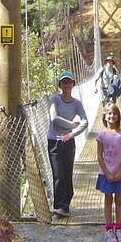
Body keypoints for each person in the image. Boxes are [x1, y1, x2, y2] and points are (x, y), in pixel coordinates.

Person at [48, 71, 88, 217]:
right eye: (63, 82)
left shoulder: (77, 104)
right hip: (54, 140)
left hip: (68, 142)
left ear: (73, 84)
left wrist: (72, 134)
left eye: (69, 82)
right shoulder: (54, 100)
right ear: (60, 84)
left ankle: (66, 203)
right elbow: (54, 118)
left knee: (67, 173)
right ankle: (60, 207)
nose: (66, 85)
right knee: (58, 174)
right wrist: (72, 124)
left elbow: (85, 121)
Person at [96, 103, 121, 242]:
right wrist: (107, 173)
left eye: (114, 113)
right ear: (105, 116)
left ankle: (120, 228)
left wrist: (120, 171)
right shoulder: (102, 135)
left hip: (120, 174)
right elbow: (99, 156)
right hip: (106, 174)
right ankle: (109, 229)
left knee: (119, 201)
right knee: (108, 200)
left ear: (118, 116)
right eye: (109, 113)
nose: (112, 116)